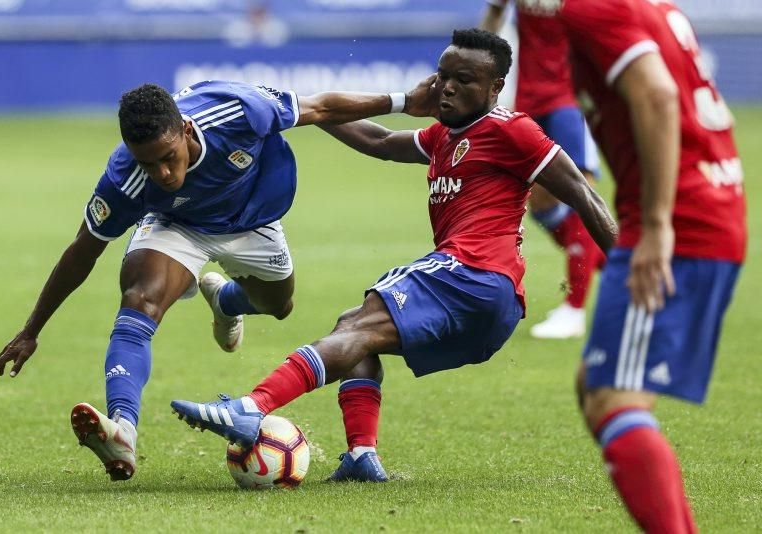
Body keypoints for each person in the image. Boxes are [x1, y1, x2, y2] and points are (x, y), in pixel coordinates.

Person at [170, 29, 618, 482]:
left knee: (361, 325)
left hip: (473, 273)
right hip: (490, 304)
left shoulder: (510, 129)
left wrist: (628, 274)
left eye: (464, 80)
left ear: (495, 87)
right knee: (354, 328)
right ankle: (362, 456)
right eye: (443, 76)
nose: (447, 87)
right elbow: (381, 142)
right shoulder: (445, 135)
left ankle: (251, 408)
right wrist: (304, 109)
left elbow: (584, 193)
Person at [0, 78, 437, 481]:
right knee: (140, 299)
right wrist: (32, 329)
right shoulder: (125, 178)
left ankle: (226, 302)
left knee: (279, 305)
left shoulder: (237, 110)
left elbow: (320, 108)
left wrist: (401, 101)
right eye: (149, 165)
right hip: (177, 227)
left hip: (254, 220)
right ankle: (122, 428)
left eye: (168, 158)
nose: (162, 174)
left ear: (185, 131)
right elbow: (81, 251)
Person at [555, 1, 746, 531]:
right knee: (593, 386)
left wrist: (660, 226)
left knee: (611, 396)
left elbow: (659, 96)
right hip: (700, 208)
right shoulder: (640, 4)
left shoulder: (592, 9)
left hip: (677, 222)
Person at [481, 0, 604, 339]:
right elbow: (490, 28)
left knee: (582, 196)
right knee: (542, 205)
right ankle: (623, 276)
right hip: (531, 100)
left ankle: (574, 310)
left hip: (570, 101)